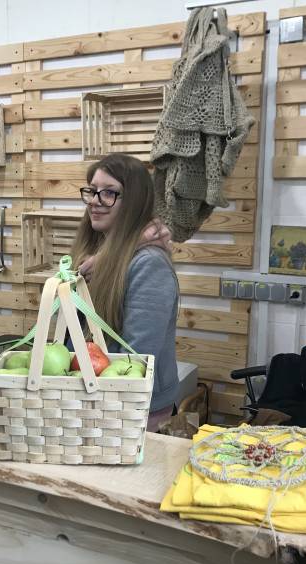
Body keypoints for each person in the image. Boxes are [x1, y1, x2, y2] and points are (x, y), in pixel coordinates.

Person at [71, 153, 179, 432]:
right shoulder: (94, 255)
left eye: (109, 193)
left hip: (133, 408)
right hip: (91, 398)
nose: (95, 201)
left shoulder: (150, 265)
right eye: (93, 191)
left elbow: (136, 357)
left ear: (134, 201)